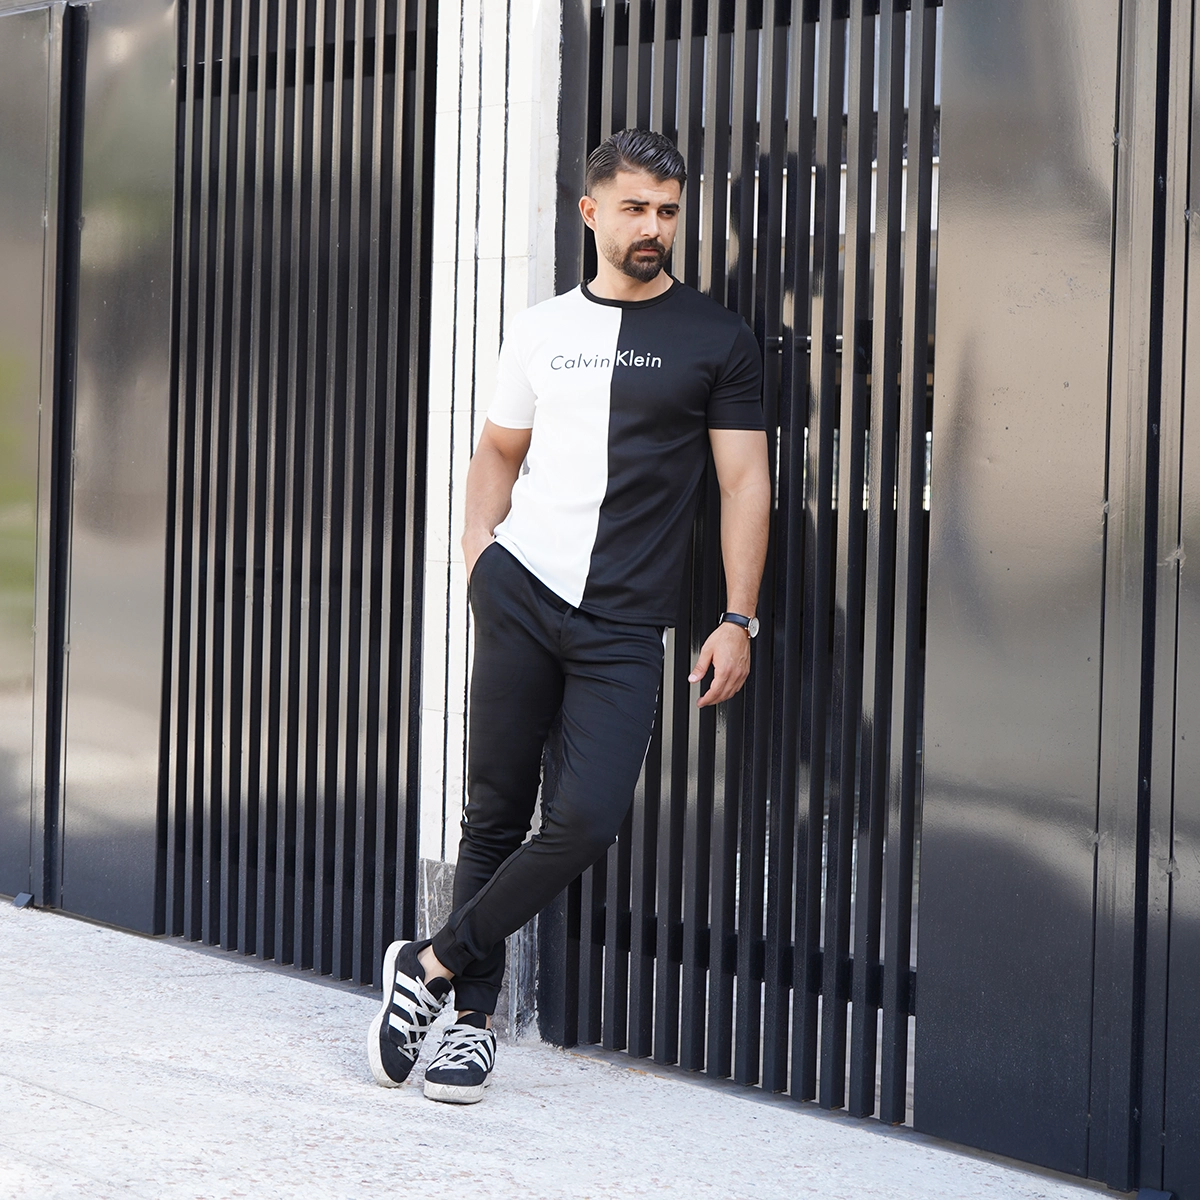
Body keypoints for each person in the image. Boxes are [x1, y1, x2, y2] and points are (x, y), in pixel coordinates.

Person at [367, 128, 771, 1104]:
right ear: (590, 212)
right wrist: (480, 555)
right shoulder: (542, 328)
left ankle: (427, 965)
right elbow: (498, 451)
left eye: (667, 210)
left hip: (626, 626)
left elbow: (744, 482)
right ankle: (471, 1028)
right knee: (494, 814)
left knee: (585, 820)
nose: (653, 227)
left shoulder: (718, 338)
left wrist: (738, 618)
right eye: (634, 208)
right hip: (522, 592)